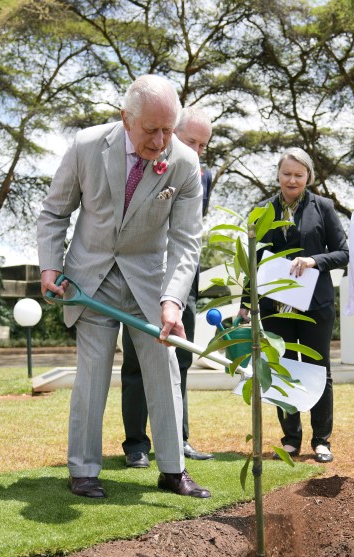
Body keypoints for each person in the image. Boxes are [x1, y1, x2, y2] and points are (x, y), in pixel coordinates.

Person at [38, 74, 211, 500]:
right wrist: (48, 268)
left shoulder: (185, 164)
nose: (160, 141)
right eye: (151, 130)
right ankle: (83, 470)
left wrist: (172, 301)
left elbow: (186, 242)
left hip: (150, 283)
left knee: (164, 371)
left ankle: (173, 469)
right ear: (125, 118)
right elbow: (54, 212)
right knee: (92, 375)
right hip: (89, 279)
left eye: (168, 129)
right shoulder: (86, 146)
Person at [238, 148, 348, 464]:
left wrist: (314, 260)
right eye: (287, 173)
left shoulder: (323, 208)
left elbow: (343, 252)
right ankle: (290, 439)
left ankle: (321, 441)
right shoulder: (261, 211)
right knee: (283, 368)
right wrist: (247, 303)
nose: (292, 180)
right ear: (277, 175)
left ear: (308, 177)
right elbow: (253, 260)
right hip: (275, 306)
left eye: (299, 175)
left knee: (318, 369)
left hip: (316, 307)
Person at [120, 107, 214, 467]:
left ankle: (179, 439)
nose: (196, 150)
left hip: (183, 281)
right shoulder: (148, 163)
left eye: (203, 145)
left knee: (182, 360)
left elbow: (189, 235)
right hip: (142, 275)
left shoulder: (198, 173)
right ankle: (136, 446)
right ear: (173, 133)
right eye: (191, 141)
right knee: (136, 362)